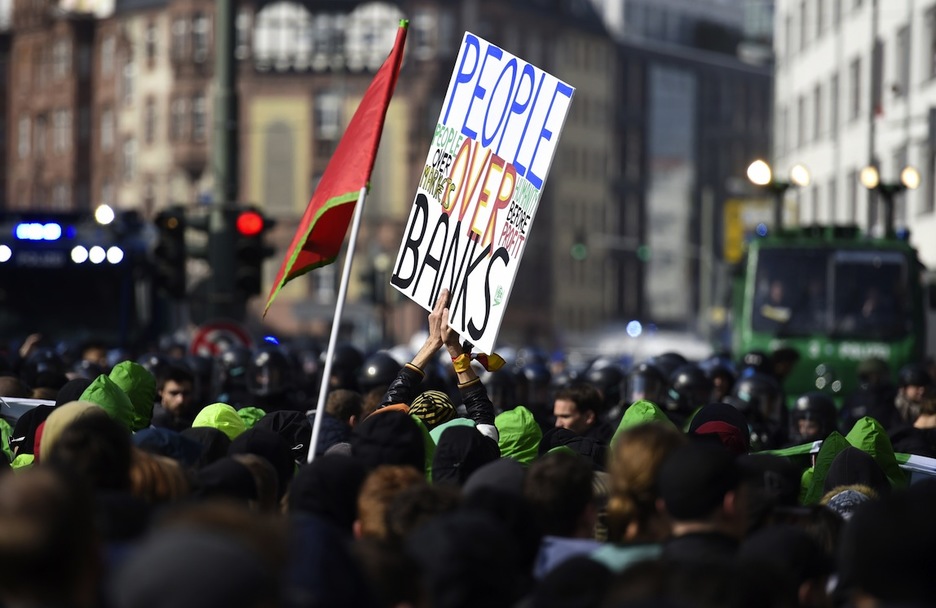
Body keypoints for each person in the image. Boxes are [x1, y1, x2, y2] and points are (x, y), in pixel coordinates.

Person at [151, 365, 197, 432]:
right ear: (161, 392)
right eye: (174, 393)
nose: (180, 400)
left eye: (186, 393)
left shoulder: (196, 418)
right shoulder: (152, 422)